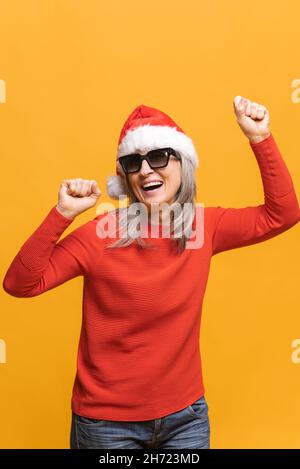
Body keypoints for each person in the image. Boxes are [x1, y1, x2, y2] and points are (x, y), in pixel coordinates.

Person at [2, 97, 300, 449]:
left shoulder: (203, 227)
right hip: (107, 425)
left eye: (158, 157)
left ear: (182, 164)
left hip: (185, 419)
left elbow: (281, 214)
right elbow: (20, 284)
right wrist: (62, 213)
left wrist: (259, 137)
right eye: (133, 163)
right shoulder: (102, 234)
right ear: (126, 178)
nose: (145, 170)